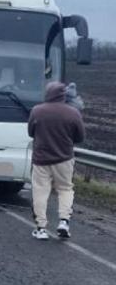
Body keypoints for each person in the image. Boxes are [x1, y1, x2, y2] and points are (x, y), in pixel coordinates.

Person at [28, 82, 85, 240]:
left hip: (41, 159)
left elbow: (31, 132)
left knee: (40, 191)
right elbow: (80, 137)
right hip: (64, 158)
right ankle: (64, 222)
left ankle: (41, 228)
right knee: (65, 189)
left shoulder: (37, 111)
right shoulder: (73, 112)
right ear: (63, 95)